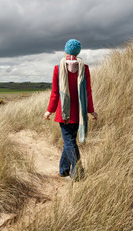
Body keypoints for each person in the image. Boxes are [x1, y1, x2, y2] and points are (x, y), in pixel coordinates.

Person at [44, 39, 97, 180]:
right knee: (70, 141)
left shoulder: (58, 68)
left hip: (64, 113)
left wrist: (50, 110)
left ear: (66, 51)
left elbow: (55, 92)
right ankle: (64, 170)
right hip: (79, 112)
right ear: (78, 51)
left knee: (69, 142)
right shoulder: (84, 68)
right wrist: (91, 110)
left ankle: (77, 173)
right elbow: (88, 92)